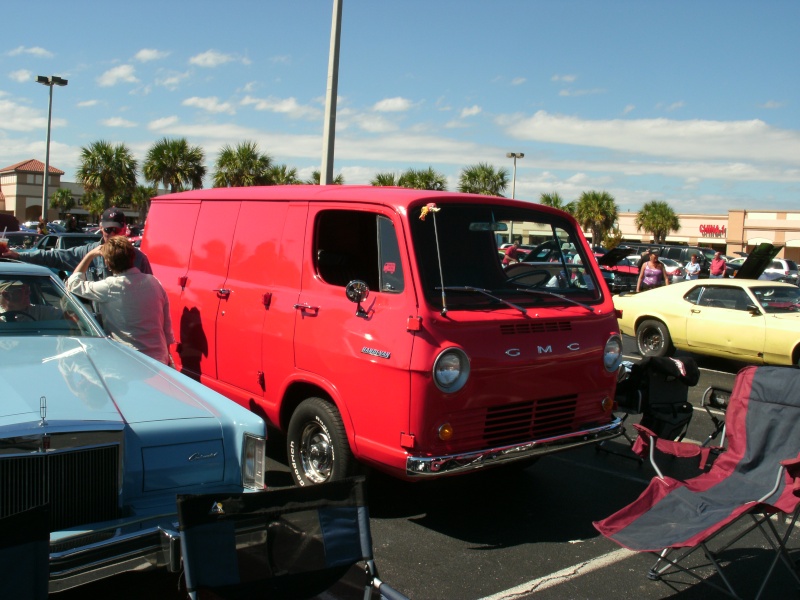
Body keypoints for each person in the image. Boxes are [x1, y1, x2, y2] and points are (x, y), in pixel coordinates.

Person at [66, 235, 175, 365]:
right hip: (159, 359)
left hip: (128, 360)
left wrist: (89, 255)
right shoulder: (154, 282)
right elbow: (166, 325)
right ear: (132, 257)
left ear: (107, 263)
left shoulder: (109, 286)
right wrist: (167, 357)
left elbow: (72, 284)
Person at [1, 207, 151, 280]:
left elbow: (150, 293)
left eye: (116, 229)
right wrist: (18, 256)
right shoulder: (88, 252)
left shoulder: (139, 259)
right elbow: (55, 257)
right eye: (108, 229)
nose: (112, 234)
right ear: (100, 227)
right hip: (98, 328)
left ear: (125, 229)